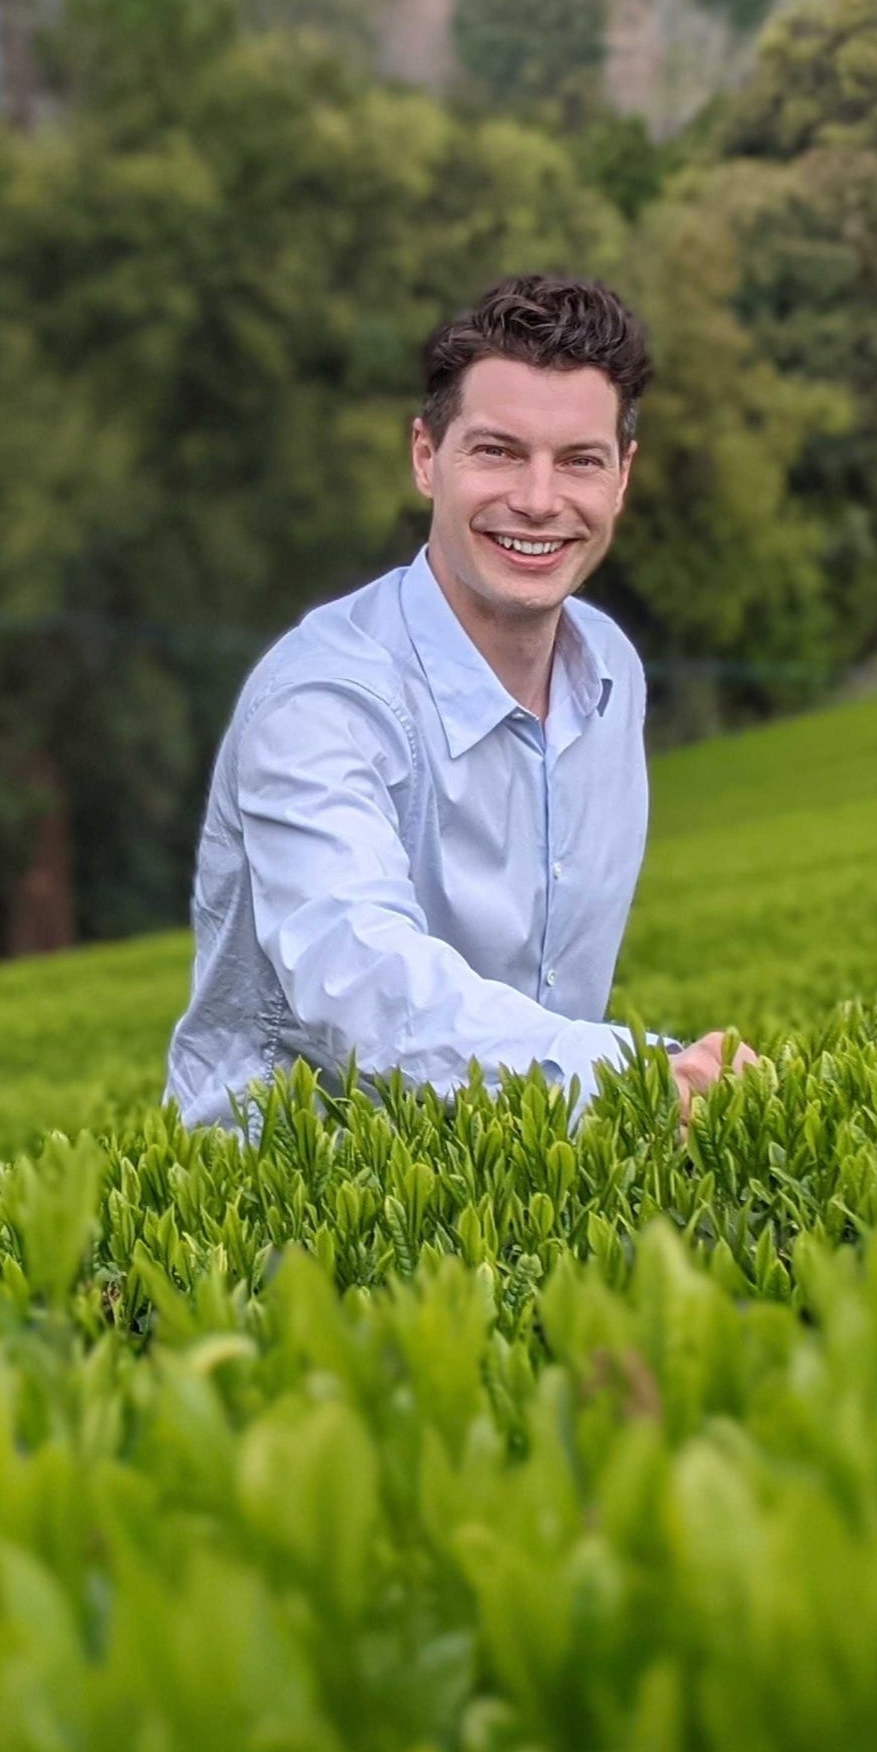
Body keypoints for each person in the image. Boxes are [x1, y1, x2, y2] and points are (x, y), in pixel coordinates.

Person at [165, 273, 756, 1131]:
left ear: (622, 478)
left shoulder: (610, 673)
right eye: (498, 451)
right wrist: (635, 1074)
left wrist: (681, 1068)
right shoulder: (322, 702)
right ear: (424, 457)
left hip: (522, 1163)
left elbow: (548, 997)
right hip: (288, 1203)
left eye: (579, 461)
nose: (539, 499)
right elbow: (362, 983)